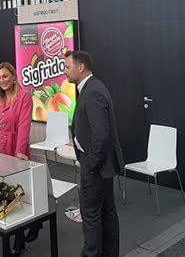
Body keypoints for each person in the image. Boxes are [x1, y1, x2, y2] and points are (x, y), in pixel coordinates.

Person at [64, 51, 124, 257]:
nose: (65, 72)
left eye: (67, 67)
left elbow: (101, 137)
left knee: (91, 217)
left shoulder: (93, 92)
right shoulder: (93, 88)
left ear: (81, 67)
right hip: (102, 168)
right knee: (106, 215)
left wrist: (90, 165)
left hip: (97, 169)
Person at [0, 62, 34, 252]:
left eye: (5, 76)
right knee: (4, 193)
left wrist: (20, 154)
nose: (2, 80)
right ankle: (16, 233)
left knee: (18, 193)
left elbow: (24, 127)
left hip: (17, 149)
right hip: (0, 150)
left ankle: (19, 239)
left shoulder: (24, 97)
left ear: (14, 76)